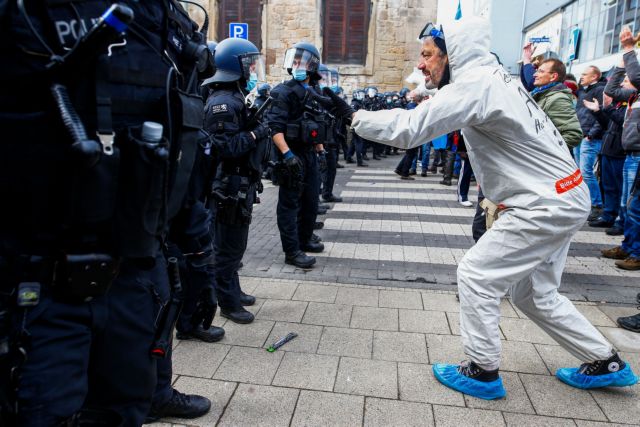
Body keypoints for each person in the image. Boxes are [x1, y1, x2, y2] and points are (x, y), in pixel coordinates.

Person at [351, 17, 638, 400]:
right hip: (564, 195)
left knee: (476, 276)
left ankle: (482, 371)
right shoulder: (491, 77)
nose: (421, 64)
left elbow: (407, 130)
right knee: (536, 296)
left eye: (427, 55)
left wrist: (355, 118)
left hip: (543, 203)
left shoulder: (474, 85)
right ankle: (605, 361)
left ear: (453, 55)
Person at [0, 1, 213, 425]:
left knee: (123, 409)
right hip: (39, 281)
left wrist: (197, 257)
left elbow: (181, 147)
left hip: (133, 272)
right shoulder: (24, 13)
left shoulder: (167, 21)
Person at [202, 37, 268, 324]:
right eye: (249, 65)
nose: (253, 71)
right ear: (235, 66)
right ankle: (227, 303)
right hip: (229, 184)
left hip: (240, 181)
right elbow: (224, 148)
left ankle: (233, 291)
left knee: (234, 246)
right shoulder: (223, 102)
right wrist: (256, 134)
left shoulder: (236, 96)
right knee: (228, 247)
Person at [266, 42, 329, 269]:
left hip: (309, 153)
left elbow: (317, 124)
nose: (297, 65)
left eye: (302, 61)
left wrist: (320, 151)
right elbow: (275, 129)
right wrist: (288, 155)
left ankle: (305, 239)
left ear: (312, 65)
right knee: (290, 205)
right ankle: (292, 251)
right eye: (295, 60)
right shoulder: (282, 92)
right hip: (291, 154)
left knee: (310, 201)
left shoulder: (314, 91)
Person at [531, 59, 583, 150]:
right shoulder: (540, 95)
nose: (534, 74)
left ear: (553, 76)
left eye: (541, 71)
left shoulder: (558, 99)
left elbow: (573, 135)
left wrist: (540, 150)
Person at [577, 65, 608, 220]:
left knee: (586, 173)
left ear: (594, 76)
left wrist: (591, 134)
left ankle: (597, 205)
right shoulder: (583, 91)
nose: (581, 76)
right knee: (581, 174)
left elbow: (601, 113)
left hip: (590, 138)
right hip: (580, 136)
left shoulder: (600, 90)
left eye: (585, 74)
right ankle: (587, 204)